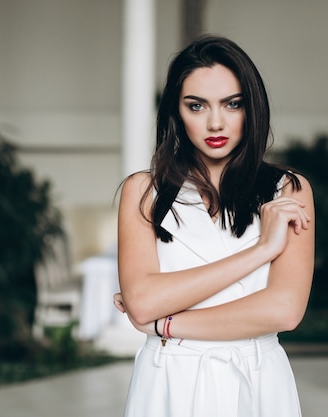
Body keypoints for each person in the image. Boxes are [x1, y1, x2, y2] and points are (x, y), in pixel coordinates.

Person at [113, 35, 315, 417]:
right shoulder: (144, 191)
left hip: (258, 378)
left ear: (251, 109)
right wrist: (262, 251)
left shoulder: (288, 189)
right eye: (197, 106)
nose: (215, 122)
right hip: (169, 379)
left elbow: (285, 310)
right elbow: (142, 302)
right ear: (176, 112)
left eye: (232, 104)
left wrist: (165, 324)